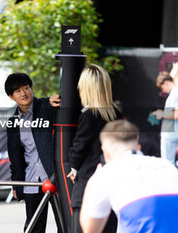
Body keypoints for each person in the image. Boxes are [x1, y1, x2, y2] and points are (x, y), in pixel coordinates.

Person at [80, 119, 178, 233]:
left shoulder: (106, 174)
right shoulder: (166, 165)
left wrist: (91, 184)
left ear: (105, 151)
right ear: (138, 147)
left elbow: (90, 229)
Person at [5, 73, 62, 233]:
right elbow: (15, 157)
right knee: (33, 227)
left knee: (64, 224)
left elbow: (54, 102)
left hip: (55, 177)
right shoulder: (12, 122)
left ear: (31, 88)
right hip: (31, 180)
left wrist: (53, 101)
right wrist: (16, 183)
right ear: (11, 97)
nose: (23, 93)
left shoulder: (46, 106)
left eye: (26, 88)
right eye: (17, 91)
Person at [67, 64, 121, 233]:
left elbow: (79, 146)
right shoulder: (116, 114)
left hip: (87, 185)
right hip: (112, 183)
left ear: (87, 88)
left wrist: (73, 167)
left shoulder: (89, 115)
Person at [152, 72, 178, 166]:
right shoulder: (174, 93)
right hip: (171, 133)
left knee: (167, 163)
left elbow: (176, 114)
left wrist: (162, 114)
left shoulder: (175, 93)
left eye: (162, 87)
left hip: (170, 134)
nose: (162, 90)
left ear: (166, 82)